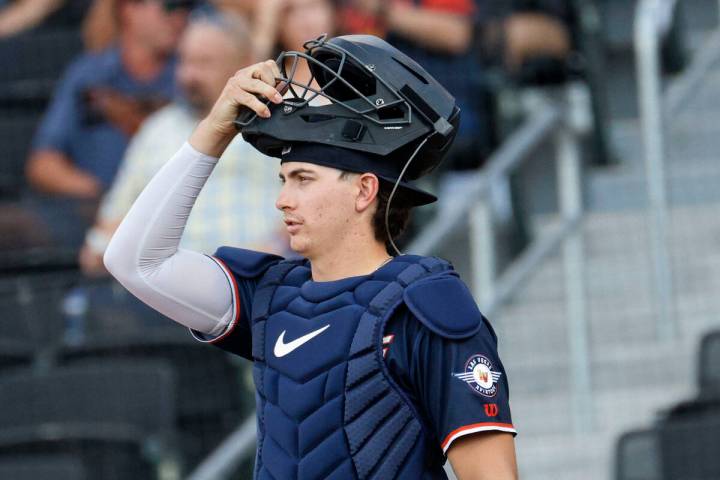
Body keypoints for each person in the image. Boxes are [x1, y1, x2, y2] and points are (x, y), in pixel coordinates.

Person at [105, 34, 518, 478]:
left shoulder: (425, 306)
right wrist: (215, 127)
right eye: (283, 180)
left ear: (364, 190)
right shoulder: (270, 296)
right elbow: (136, 262)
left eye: (302, 179)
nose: (283, 200)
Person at [79, 11, 284, 276]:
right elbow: (116, 218)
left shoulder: (278, 118)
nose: (189, 75)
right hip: (174, 293)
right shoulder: (156, 129)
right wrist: (100, 249)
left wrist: (277, 249)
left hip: (265, 278)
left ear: (243, 63)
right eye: (185, 61)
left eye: (204, 62)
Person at [8, 0, 188, 250]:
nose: (180, 17)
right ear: (130, 10)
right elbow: (44, 164)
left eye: (184, 8)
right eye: (169, 7)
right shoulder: (89, 74)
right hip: (93, 215)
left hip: (174, 214)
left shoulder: (190, 73)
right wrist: (106, 199)